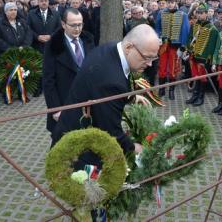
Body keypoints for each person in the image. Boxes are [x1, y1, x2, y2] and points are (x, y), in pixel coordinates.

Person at [51, 24, 160, 168]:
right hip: (78, 150)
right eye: (146, 57)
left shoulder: (112, 48)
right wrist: (133, 148)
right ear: (129, 48)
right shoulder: (110, 81)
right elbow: (110, 130)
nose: (150, 64)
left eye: (154, 58)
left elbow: (120, 78)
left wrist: (131, 97)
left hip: (73, 128)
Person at [43, 8, 95, 136]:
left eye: (80, 24)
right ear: (63, 24)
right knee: (62, 146)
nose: (77, 29)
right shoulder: (53, 45)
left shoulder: (88, 39)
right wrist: (55, 109)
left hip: (87, 105)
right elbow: (48, 80)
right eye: (73, 25)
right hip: (64, 104)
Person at [185, 2, 220, 107]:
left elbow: (212, 46)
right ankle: (195, 95)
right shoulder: (195, 25)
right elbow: (190, 38)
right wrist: (189, 49)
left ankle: (201, 97)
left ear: (206, 14)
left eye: (202, 13)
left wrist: (208, 60)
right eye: (198, 13)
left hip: (204, 59)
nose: (199, 15)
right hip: (194, 56)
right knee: (195, 77)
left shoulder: (212, 29)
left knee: (203, 78)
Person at [155, 0, 189, 100]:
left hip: (175, 45)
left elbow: (185, 31)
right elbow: (157, 28)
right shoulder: (161, 13)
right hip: (164, 45)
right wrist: (158, 36)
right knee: (162, 67)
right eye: (168, 2)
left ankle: (171, 90)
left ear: (175, 3)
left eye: (172, 2)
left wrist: (183, 45)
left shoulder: (183, 15)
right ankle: (161, 89)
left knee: (173, 68)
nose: (170, 4)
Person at [26, 0, 61, 96]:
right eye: (41, 1)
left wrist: (51, 36)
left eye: (45, 0)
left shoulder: (55, 14)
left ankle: (49, 88)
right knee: (37, 67)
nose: (44, 2)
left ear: (48, 2)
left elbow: (59, 28)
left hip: (51, 45)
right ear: (38, 2)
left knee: (50, 67)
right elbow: (28, 29)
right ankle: (38, 89)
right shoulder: (31, 14)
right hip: (37, 45)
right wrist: (37, 37)